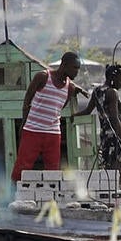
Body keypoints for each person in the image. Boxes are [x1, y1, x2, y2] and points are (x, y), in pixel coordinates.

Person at [12, 51, 85, 181]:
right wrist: (24, 124)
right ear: (64, 64)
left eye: (78, 69)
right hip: (33, 130)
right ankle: (14, 197)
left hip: (53, 133)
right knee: (22, 167)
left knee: (53, 170)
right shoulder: (43, 77)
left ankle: (50, 199)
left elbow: (58, 109)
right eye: (74, 68)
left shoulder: (70, 88)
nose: (76, 72)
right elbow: (27, 100)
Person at [76, 63, 121, 174]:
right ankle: (112, 190)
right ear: (112, 78)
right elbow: (114, 119)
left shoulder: (97, 91)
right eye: (120, 80)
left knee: (112, 169)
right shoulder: (112, 93)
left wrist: (74, 116)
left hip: (105, 137)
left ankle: (111, 189)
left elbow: (87, 111)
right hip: (115, 137)